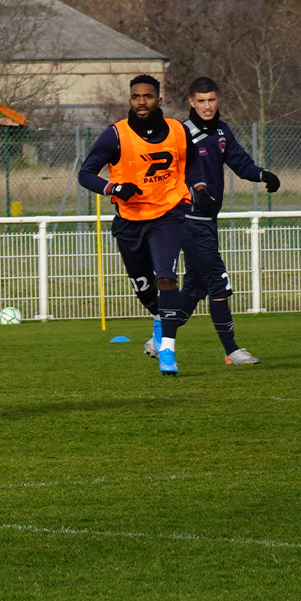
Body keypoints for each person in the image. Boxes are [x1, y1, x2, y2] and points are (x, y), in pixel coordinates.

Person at [78, 75, 212, 376]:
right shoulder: (115, 135)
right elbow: (85, 174)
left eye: (148, 96)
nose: (142, 101)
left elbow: (192, 162)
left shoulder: (178, 130)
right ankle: (158, 318)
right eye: (136, 96)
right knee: (144, 288)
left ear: (158, 100)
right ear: (130, 101)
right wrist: (113, 188)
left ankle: (167, 351)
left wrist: (200, 187)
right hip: (130, 221)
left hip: (168, 214)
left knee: (166, 277)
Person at [179, 77, 281, 365]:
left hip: (207, 220)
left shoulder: (222, 131)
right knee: (219, 283)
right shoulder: (181, 134)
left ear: (218, 99)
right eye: (201, 101)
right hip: (189, 219)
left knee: (196, 287)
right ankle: (232, 351)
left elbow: (240, 163)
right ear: (191, 102)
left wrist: (263, 174)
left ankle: (158, 338)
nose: (207, 106)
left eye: (211, 100)